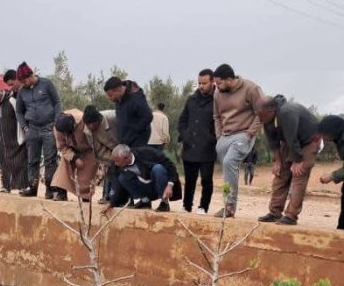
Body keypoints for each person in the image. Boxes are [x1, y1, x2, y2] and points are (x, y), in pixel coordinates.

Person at [256, 96, 320, 225]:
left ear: (271, 110)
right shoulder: (266, 118)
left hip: (309, 141)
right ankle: (274, 212)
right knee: (280, 174)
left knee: (298, 174)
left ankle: (291, 216)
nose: (258, 118)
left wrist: (297, 160)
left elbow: (292, 138)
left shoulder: (287, 112)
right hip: (290, 142)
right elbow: (273, 143)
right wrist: (278, 162)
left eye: (260, 115)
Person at [212, 64, 264, 218]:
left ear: (229, 79)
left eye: (219, 83)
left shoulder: (251, 88)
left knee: (229, 162)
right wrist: (219, 136)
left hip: (243, 133)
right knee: (228, 170)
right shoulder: (218, 92)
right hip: (224, 136)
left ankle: (229, 206)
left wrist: (249, 134)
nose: (217, 87)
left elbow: (261, 112)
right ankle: (227, 204)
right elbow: (216, 116)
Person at [15, 61, 64, 199]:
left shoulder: (46, 84)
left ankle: (50, 189)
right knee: (32, 161)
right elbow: (19, 111)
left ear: (31, 75)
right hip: (32, 129)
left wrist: (57, 122)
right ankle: (32, 187)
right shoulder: (21, 92)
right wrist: (24, 126)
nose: (23, 83)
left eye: (24, 80)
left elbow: (57, 103)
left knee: (50, 160)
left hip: (49, 127)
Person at [178, 69, 216, 214]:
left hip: (207, 148)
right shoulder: (191, 99)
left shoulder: (217, 100)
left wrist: (211, 139)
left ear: (212, 82)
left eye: (204, 83)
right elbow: (182, 121)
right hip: (190, 147)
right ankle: (186, 206)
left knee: (206, 180)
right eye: (199, 83)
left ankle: (203, 207)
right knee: (189, 180)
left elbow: (221, 123)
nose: (201, 86)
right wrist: (185, 135)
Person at [108, 144, 181, 212]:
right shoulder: (117, 166)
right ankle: (145, 201)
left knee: (158, 168)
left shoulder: (147, 152)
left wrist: (170, 184)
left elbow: (170, 165)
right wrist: (112, 203)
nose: (115, 164)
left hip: (159, 185)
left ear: (126, 158)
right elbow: (116, 184)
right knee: (122, 178)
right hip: (145, 187)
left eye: (117, 161)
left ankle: (164, 203)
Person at [0, 87, 28, 193]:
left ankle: (22, 186)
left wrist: (21, 137)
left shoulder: (11, 101)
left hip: (15, 138)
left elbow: (20, 118)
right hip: (2, 140)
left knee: (19, 163)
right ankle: (6, 186)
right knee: (5, 163)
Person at [51, 110, 98, 201]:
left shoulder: (84, 121)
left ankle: (86, 198)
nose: (65, 135)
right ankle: (61, 193)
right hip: (70, 149)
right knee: (64, 167)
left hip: (89, 149)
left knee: (88, 173)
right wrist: (74, 158)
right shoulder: (58, 128)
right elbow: (62, 147)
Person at [82, 105, 119, 204]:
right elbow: (95, 148)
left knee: (121, 173)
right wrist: (104, 162)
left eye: (93, 124)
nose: (90, 127)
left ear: (98, 119)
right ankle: (106, 197)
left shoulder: (113, 117)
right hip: (106, 154)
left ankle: (123, 199)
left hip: (120, 148)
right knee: (109, 172)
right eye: (88, 124)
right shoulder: (87, 129)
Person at [103, 76, 153, 149]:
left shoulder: (136, 99)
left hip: (137, 144)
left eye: (110, 95)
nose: (109, 98)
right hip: (125, 142)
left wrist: (134, 132)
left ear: (118, 90)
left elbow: (148, 116)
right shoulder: (119, 100)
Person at [317, 115, 344, 230]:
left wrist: (332, 176)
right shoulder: (340, 138)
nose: (323, 137)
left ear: (333, 130)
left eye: (325, 134)